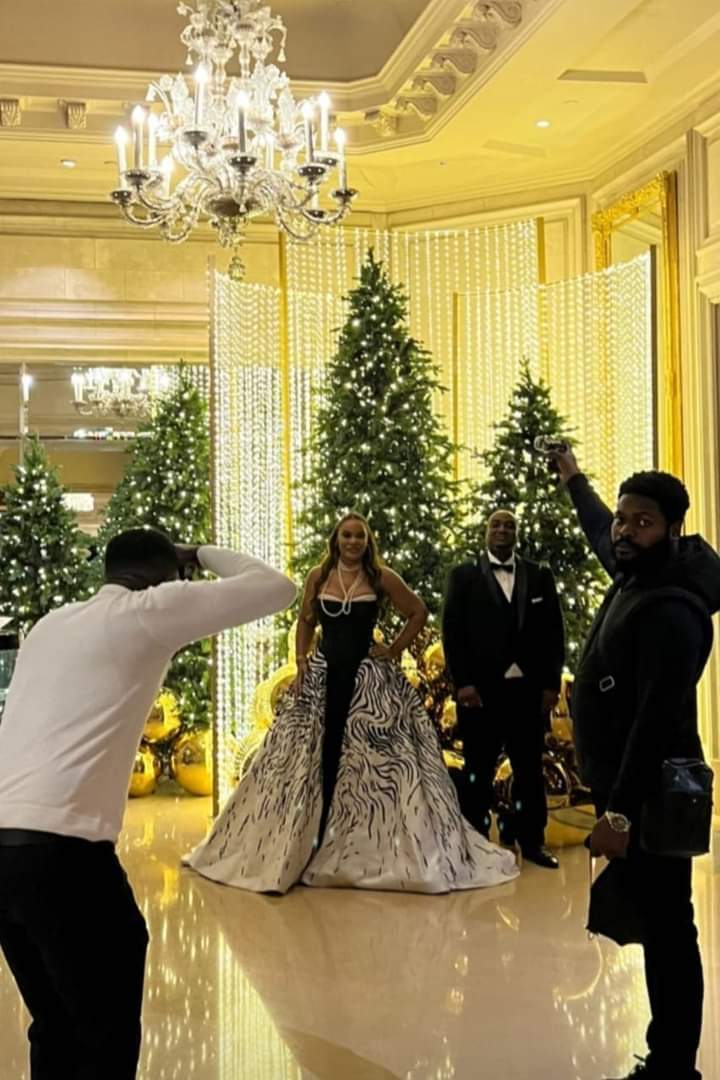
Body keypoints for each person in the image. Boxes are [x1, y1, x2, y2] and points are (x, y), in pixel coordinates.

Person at [0, 529, 295, 1080]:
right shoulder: (150, 610)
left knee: (56, 1024)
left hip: (4, 846)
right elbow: (277, 588)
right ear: (165, 576)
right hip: (64, 851)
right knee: (104, 1028)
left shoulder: (51, 624)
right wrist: (198, 554)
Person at [186, 512, 519, 894]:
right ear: (336, 540)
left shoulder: (381, 577)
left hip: (368, 684)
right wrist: (301, 660)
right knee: (307, 761)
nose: (353, 542)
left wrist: (393, 649)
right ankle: (297, 845)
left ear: (367, 541)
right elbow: (306, 620)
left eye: (359, 536)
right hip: (323, 679)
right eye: (346, 535)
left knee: (372, 770)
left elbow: (418, 611)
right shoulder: (319, 575)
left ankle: (361, 848)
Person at [551, 448, 720, 1080]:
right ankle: (668, 1057)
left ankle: (675, 1068)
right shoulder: (638, 570)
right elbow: (600, 530)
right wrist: (574, 479)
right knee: (658, 922)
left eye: (641, 522)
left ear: (672, 529)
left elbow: (654, 724)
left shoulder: (673, 610)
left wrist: (619, 814)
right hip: (631, 788)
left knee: (671, 930)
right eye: (624, 518)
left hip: (657, 795)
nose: (623, 531)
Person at [442, 509, 565, 869]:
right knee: (478, 770)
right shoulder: (463, 576)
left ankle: (532, 840)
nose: (502, 530)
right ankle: (476, 843)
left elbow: (554, 632)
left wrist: (551, 684)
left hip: (528, 692)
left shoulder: (539, 575)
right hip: (480, 692)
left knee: (528, 769)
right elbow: (452, 632)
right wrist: (463, 683)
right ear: (485, 532)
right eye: (496, 524)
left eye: (509, 525)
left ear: (517, 533)